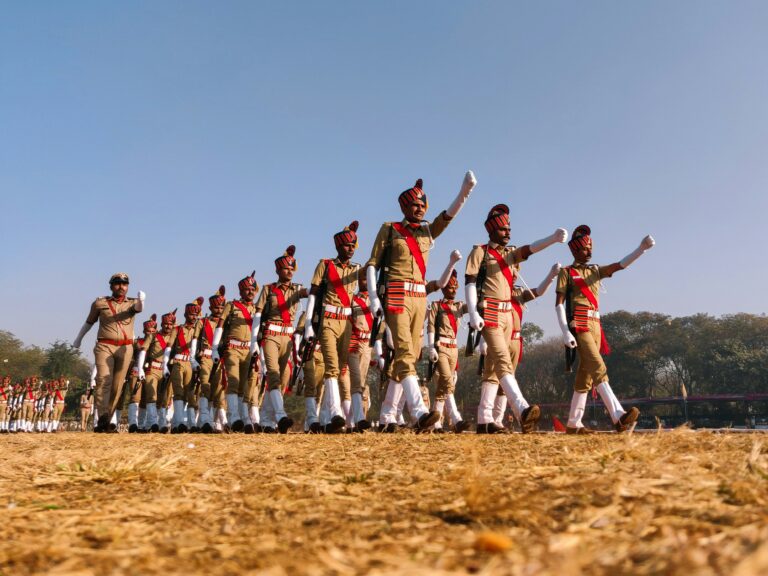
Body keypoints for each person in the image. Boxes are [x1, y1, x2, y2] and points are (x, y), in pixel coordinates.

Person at [367, 172, 477, 432]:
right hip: (396, 294)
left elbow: (447, 217)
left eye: (422, 205)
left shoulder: (428, 231)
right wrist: (373, 297)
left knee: (410, 356)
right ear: (404, 207)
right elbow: (373, 264)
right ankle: (419, 412)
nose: (419, 209)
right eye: (414, 205)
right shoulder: (390, 229)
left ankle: (387, 416)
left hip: (419, 298)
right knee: (405, 352)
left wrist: (465, 192)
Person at [465, 204, 567, 434]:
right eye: (503, 228)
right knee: (502, 360)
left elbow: (529, 249)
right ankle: (521, 409)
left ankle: (484, 419)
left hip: (508, 314)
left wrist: (552, 239)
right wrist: (472, 312)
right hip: (489, 310)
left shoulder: (510, 254)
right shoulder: (479, 252)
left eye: (509, 228)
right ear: (491, 230)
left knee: (493, 369)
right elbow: (470, 283)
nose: (508, 232)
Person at [555, 225, 655, 433]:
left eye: (591, 247)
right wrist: (565, 331)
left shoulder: (595, 270)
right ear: (574, 250)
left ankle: (574, 422)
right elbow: (558, 303)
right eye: (584, 248)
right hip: (579, 324)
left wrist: (641, 249)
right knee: (598, 366)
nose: (589, 251)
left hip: (596, 325)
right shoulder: (566, 272)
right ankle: (618, 416)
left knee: (586, 375)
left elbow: (619, 266)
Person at [305, 223, 360, 434]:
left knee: (340, 367)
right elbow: (313, 293)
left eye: (353, 244)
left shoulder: (356, 269)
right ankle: (336, 412)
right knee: (331, 366)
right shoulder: (325, 265)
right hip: (327, 319)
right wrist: (309, 323)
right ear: (338, 246)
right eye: (347, 245)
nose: (351, 248)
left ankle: (327, 419)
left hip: (346, 322)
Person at [72, 272, 145, 432]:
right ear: (111, 286)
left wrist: (141, 300)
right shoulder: (100, 303)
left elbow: (138, 309)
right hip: (105, 346)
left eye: (124, 284)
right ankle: (103, 416)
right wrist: (78, 339)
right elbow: (89, 322)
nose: (121, 287)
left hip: (125, 348)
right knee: (104, 379)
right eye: (118, 283)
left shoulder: (132, 302)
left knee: (117, 386)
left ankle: (105, 421)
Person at [253, 246, 309, 434]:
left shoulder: (297, 289)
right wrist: (254, 341)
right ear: (277, 270)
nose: (290, 271)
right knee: (273, 374)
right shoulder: (268, 290)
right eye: (286, 268)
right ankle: (281, 415)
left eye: (292, 268)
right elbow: (258, 315)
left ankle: (266, 420)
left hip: (288, 337)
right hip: (271, 335)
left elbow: (310, 293)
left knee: (283, 379)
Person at [212, 272, 259, 432]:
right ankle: (233, 417)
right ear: (240, 291)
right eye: (247, 289)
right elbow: (220, 324)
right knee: (233, 381)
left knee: (244, 386)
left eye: (253, 289)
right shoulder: (231, 306)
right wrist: (214, 347)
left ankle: (244, 417)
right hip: (233, 348)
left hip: (249, 349)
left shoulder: (257, 309)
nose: (250, 292)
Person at [169, 298, 203, 433]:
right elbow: (169, 346)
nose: (193, 317)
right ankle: (178, 423)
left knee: (190, 394)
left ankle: (192, 423)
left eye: (196, 315)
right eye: (191, 314)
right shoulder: (177, 329)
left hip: (191, 363)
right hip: (178, 362)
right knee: (179, 392)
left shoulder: (199, 330)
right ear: (185, 315)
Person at [197, 286, 227, 433]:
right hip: (205, 357)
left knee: (219, 390)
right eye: (216, 307)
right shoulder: (202, 322)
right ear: (210, 307)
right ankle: (204, 419)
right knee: (205, 386)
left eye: (222, 306)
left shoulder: (226, 324)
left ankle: (218, 423)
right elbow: (195, 341)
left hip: (220, 358)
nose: (219, 309)